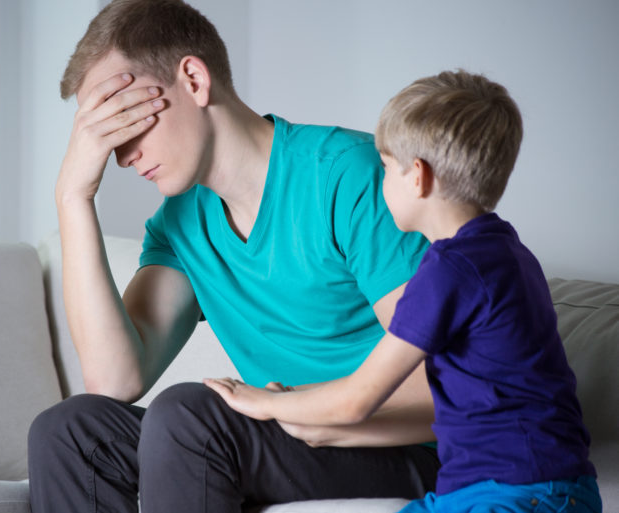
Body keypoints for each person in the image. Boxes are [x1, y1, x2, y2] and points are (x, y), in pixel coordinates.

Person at [27, 1, 439, 511]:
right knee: (70, 431)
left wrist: (297, 411)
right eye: (102, 135)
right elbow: (114, 380)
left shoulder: (345, 176)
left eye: (123, 118)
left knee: (190, 415)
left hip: (406, 451)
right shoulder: (180, 224)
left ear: (194, 81)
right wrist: (73, 196)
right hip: (287, 435)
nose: (119, 154)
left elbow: (443, 385)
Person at [205, 70, 603, 512]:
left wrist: (262, 400)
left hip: (519, 490)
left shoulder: (447, 272)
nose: (379, 183)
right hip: (522, 484)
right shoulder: (506, 251)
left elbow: (360, 397)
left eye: (385, 167)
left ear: (418, 177)